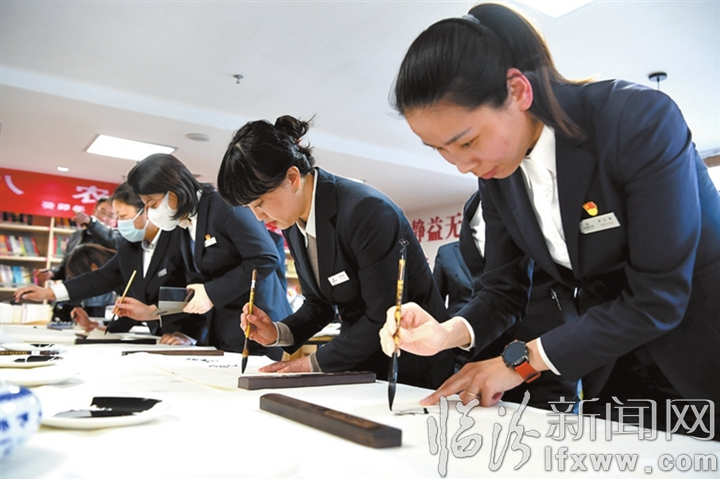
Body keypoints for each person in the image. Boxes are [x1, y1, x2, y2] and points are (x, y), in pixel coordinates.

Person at [379, 3, 720, 433]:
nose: (462, 165)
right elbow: (502, 291)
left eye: (467, 142)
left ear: (518, 91)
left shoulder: (636, 121)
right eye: (441, 150)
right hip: (610, 365)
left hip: (703, 346)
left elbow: (659, 295)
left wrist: (519, 363)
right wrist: (445, 333)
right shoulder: (500, 174)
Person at [216, 115, 454, 389]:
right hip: (362, 364)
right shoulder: (293, 222)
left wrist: (312, 363)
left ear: (292, 178)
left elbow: (383, 315)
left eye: (260, 204)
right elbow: (319, 304)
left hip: (411, 367)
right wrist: (277, 333)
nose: (259, 217)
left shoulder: (366, 211)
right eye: (250, 209)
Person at [126, 153, 292, 356]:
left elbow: (265, 258)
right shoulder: (182, 223)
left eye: (153, 204)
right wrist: (159, 315)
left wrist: (212, 293)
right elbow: (193, 283)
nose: (150, 212)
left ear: (174, 190)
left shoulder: (224, 206)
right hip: (221, 332)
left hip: (257, 329)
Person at [14, 183, 195, 338]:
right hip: (161, 338)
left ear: (147, 210)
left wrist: (187, 335)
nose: (120, 224)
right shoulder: (129, 245)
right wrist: (48, 293)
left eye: (123, 217)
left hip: (191, 334)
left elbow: (194, 290)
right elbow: (101, 278)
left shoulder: (181, 239)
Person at [35, 196, 120, 284]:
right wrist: (52, 273)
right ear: (94, 210)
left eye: (111, 216)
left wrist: (91, 223)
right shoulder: (76, 235)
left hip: (99, 289)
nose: (103, 218)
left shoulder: (117, 238)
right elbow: (66, 265)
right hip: (71, 287)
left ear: (116, 221)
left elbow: (110, 239)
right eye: (102, 212)